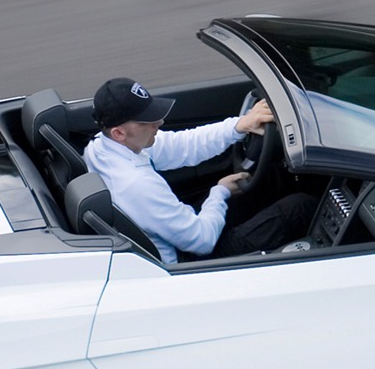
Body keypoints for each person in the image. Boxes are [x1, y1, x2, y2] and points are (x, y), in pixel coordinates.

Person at [83, 77, 315, 264]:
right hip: (191, 261)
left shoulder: (101, 147)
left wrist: (239, 125)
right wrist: (220, 193)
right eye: (148, 121)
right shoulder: (136, 184)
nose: (159, 123)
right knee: (299, 207)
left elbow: (183, 145)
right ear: (119, 133)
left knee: (269, 183)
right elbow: (202, 241)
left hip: (178, 233)